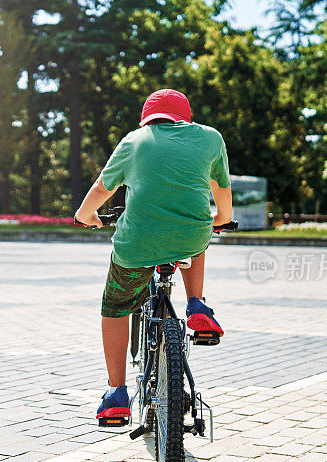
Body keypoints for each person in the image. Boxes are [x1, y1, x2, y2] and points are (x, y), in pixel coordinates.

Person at [74, 89, 233, 421]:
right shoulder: (209, 138)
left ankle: (116, 393)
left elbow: (104, 188)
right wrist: (220, 219)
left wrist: (86, 216)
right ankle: (196, 304)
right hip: (190, 236)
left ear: (149, 118)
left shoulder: (135, 141)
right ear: (184, 117)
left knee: (115, 308)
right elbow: (221, 189)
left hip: (138, 245)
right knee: (199, 234)